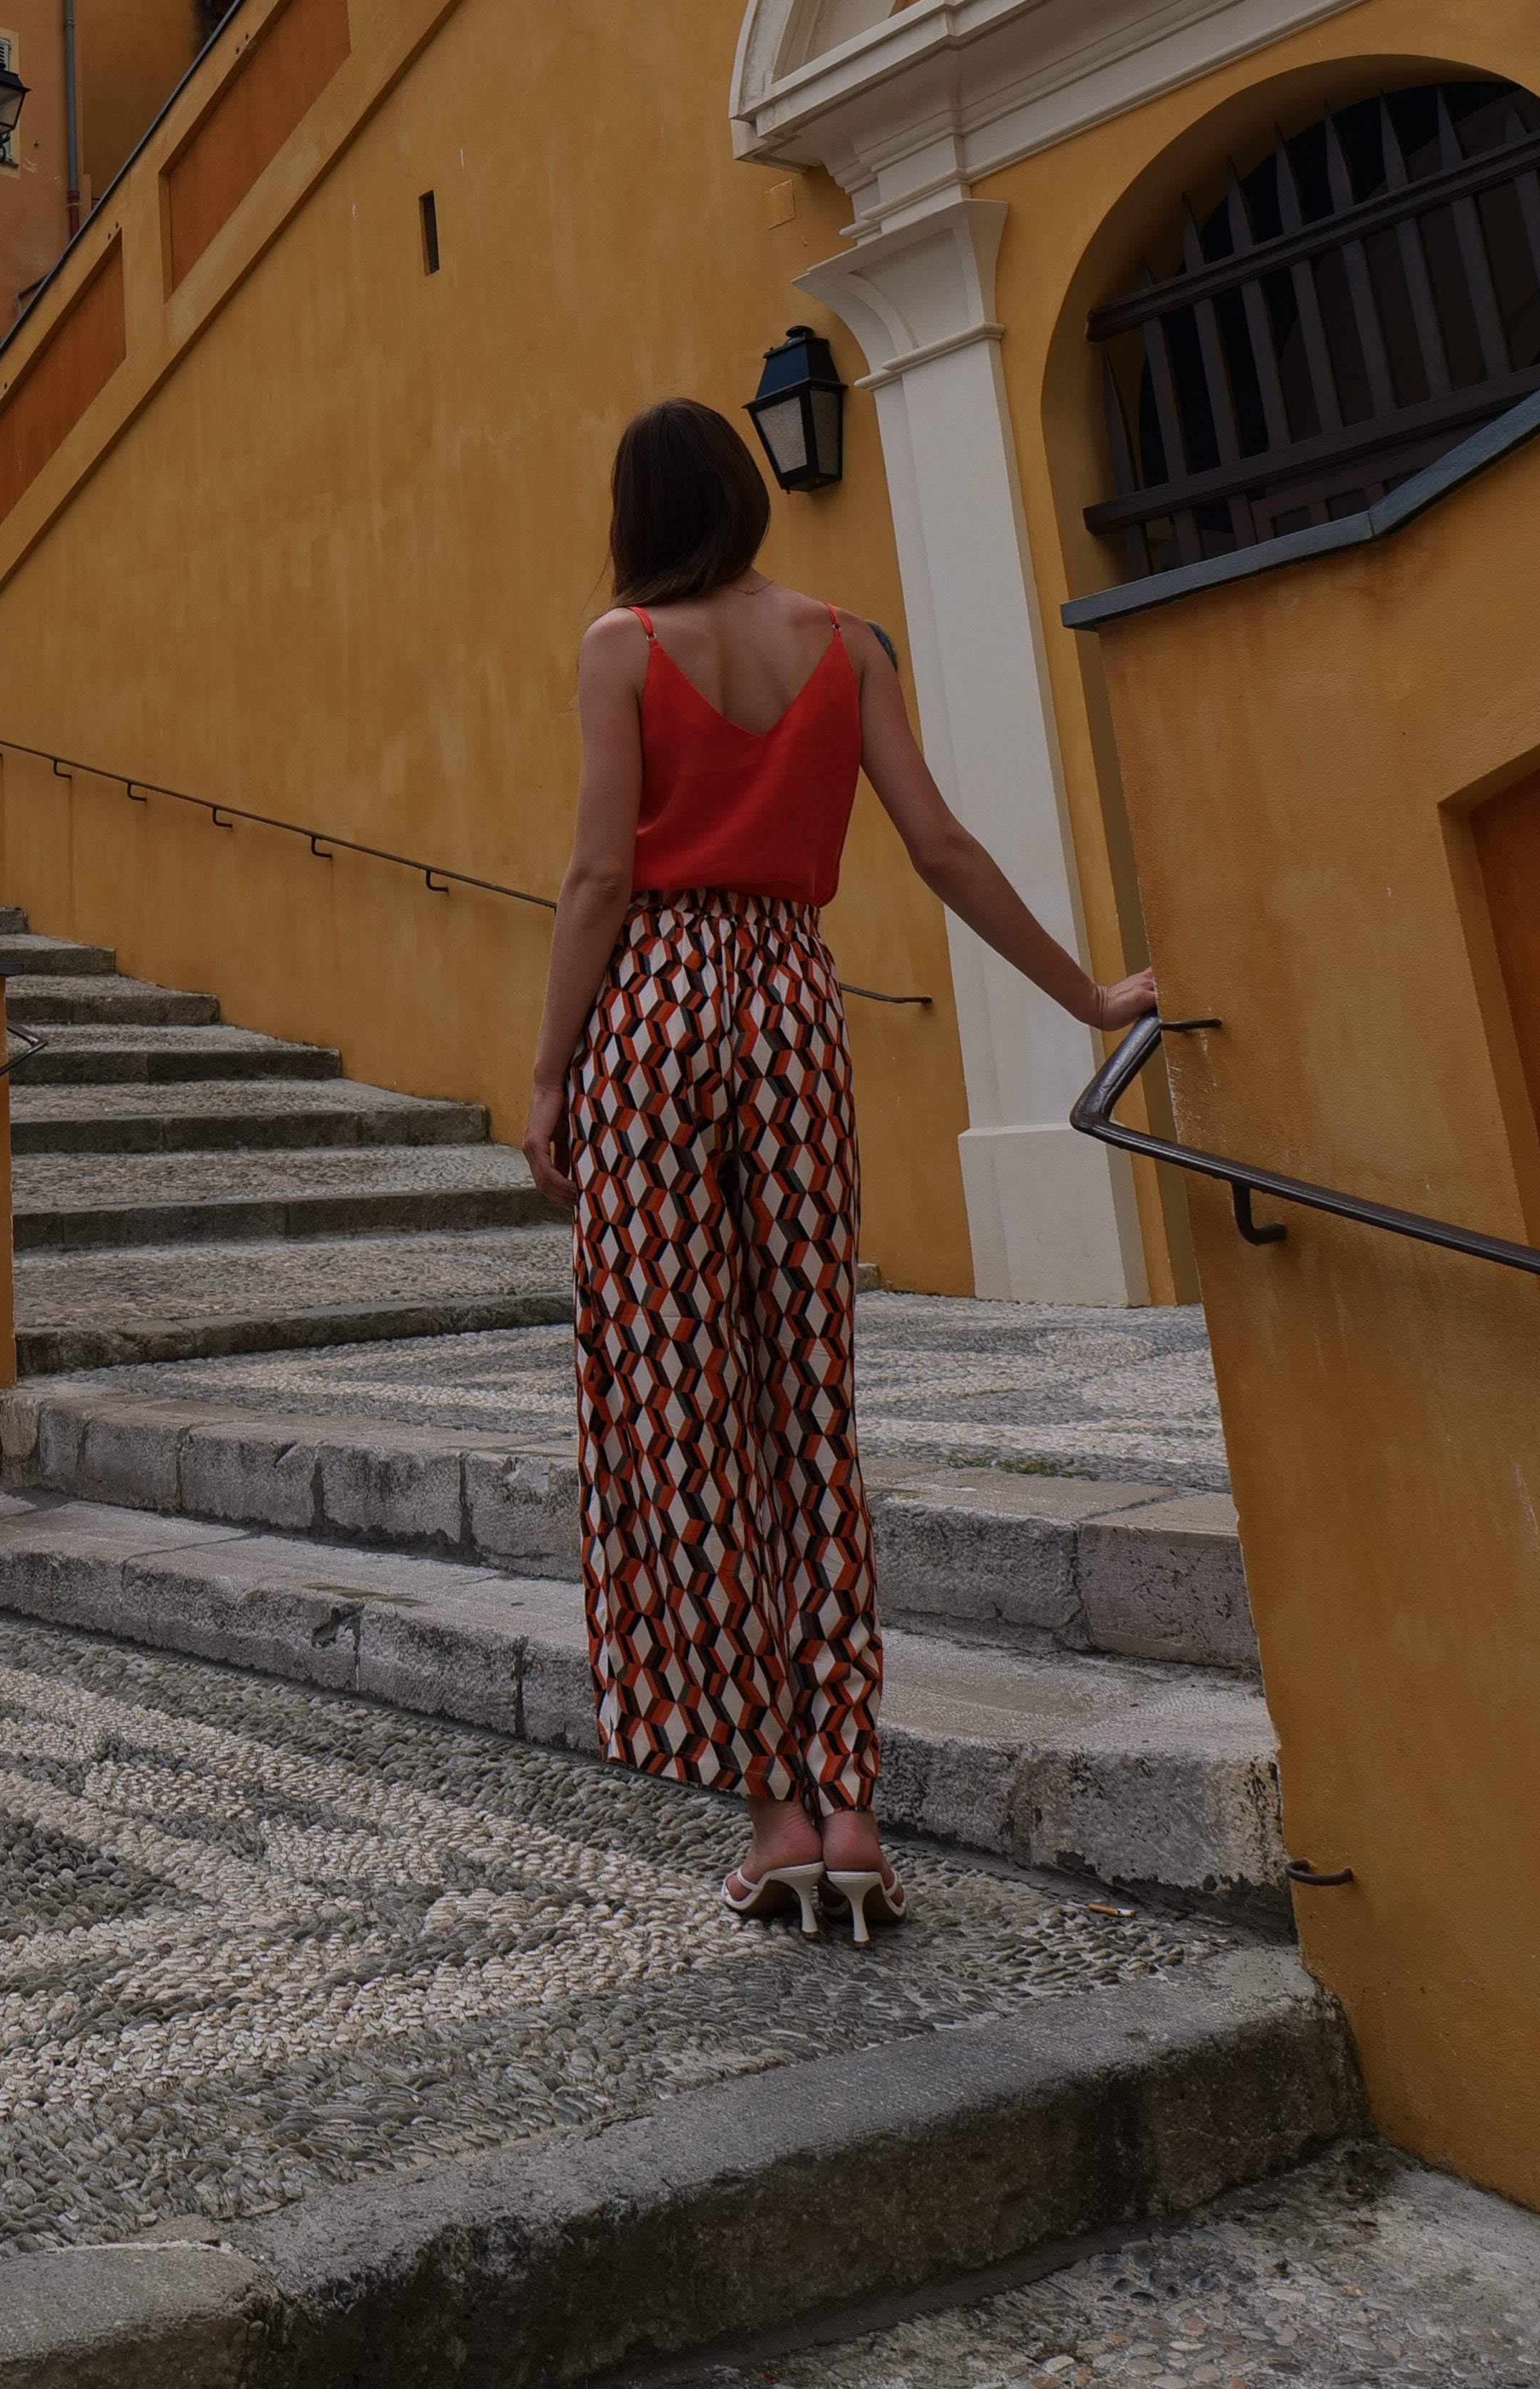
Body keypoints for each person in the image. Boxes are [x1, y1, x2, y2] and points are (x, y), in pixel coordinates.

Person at [521, 395, 1157, 1942]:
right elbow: (937, 846)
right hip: (792, 1006)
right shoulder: (847, 640)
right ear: (743, 497)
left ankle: (770, 1814)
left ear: (634, 512)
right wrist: (1088, 996)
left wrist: (548, 1072)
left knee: (677, 1406)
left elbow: (604, 871)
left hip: (655, 1010)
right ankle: (848, 1799)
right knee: (809, 1392)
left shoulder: (620, 645)